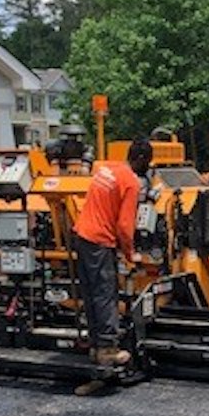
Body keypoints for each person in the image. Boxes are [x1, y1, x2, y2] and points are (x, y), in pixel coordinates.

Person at [72, 139, 153, 366]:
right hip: (99, 240)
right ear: (141, 159)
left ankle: (96, 346)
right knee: (106, 293)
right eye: (148, 162)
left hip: (82, 236)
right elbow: (125, 226)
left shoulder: (107, 170)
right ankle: (108, 349)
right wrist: (130, 254)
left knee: (90, 293)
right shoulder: (131, 182)